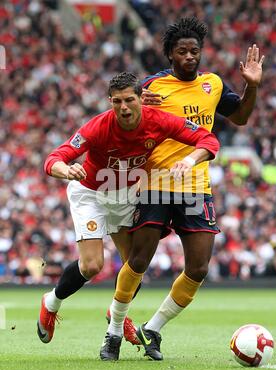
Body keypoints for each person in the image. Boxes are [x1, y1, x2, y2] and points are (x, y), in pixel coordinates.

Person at [102, 17, 264, 361]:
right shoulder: (152, 87)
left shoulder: (213, 84)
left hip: (195, 187)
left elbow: (241, 118)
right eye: (182, 51)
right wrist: (137, 106)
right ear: (170, 56)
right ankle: (114, 331)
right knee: (139, 259)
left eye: (195, 51)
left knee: (199, 268)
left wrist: (252, 86)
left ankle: (153, 329)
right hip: (155, 183)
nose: (191, 56)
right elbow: (122, 119)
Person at [37, 71, 219, 345]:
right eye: (117, 101)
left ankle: (117, 317)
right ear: (110, 101)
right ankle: (51, 303)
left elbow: (208, 139)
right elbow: (55, 158)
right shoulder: (97, 127)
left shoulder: (159, 121)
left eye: (129, 100)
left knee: (133, 268)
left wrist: (191, 160)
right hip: (91, 192)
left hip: (123, 195)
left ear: (141, 100)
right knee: (92, 266)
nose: (123, 108)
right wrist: (67, 170)